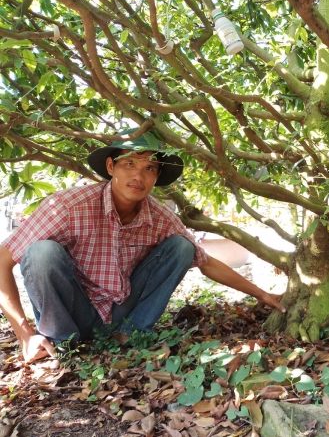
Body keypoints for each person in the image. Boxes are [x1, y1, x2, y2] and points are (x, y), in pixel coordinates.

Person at [0, 131, 285, 363]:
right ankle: (62, 343)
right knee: (41, 252)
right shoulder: (67, 206)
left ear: (157, 177)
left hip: (120, 311)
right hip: (73, 309)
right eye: (130, 164)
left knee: (182, 247)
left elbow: (204, 261)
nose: (139, 176)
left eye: (150, 168)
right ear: (111, 167)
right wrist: (24, 334)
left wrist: (262, 294)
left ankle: (130, 335)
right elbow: (2, 260)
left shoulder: (160, 217)